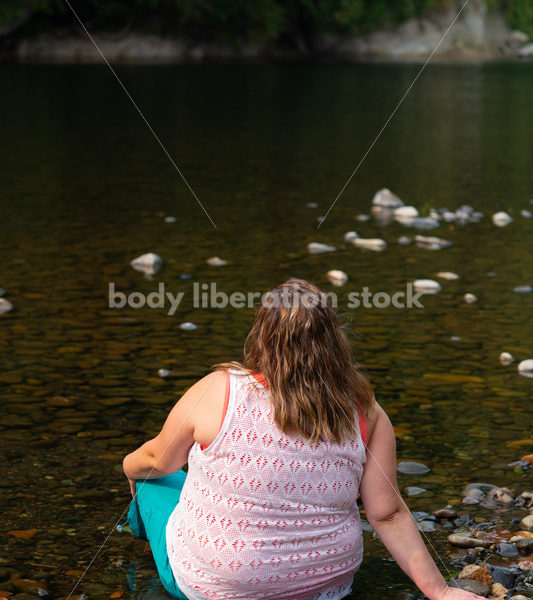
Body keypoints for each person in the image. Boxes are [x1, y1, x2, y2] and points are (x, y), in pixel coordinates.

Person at [122, 279, 484, 600]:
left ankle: (140, 556)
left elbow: (158, 459)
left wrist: (128, 467)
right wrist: (441, 591)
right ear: (334, 339)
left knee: (155, 479)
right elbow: (386, 514)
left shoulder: (222, 389)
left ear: (261, 335)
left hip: (219, 587)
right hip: (324, 588)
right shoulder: (364, 410)